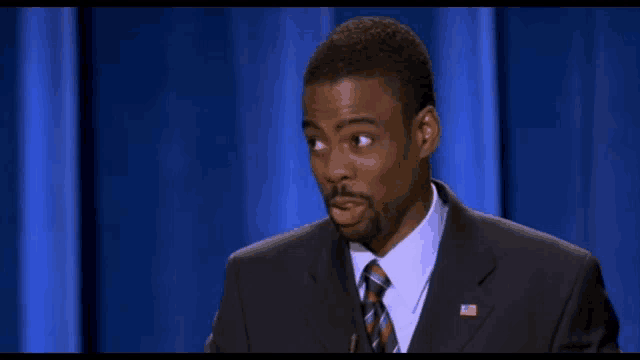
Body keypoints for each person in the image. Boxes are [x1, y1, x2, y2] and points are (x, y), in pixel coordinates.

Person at [204, 16, 620, 353]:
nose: (332, 168)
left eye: (359, 140)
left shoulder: (552, 287)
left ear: (424, 133)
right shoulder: (258, 287)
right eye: (316, 142)